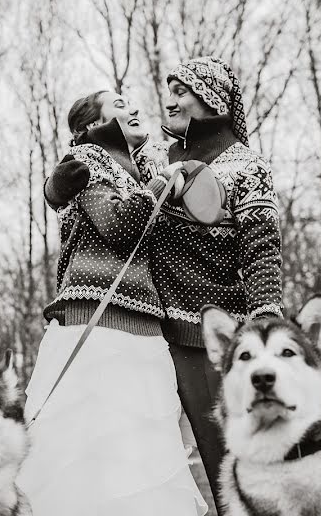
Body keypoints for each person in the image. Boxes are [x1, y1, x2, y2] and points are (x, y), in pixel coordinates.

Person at [44, 57, 283, 514]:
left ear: (211, 99)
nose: (167, 100)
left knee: (232, 469)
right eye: (168, 89)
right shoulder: (155, 159)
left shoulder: (248, 166)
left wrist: (266, 319)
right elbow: (94, 174)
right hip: (146, 339)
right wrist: (53, 189)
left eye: (181, 91)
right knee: (134, 464)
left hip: (209, 342)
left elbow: (262, 252)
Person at [17, 90, 206, 516]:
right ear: (90, 125)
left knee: (142, 463)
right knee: (83, 460)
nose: (134, 107)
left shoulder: (140, 172)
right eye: (119, 103)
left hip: (146, 335)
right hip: (96, 331)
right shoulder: (86, 162)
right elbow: (117, 224)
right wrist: (159, 184)